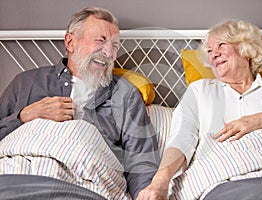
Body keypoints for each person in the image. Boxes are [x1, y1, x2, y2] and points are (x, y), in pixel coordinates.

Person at [0, 7, 159, 200]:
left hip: (84, 185)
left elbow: (141, 161)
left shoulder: (125, 94)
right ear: (70, 42)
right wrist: (24, 116)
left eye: (115, 46)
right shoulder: (25, 82)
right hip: (14, 176)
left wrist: (147, 194)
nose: (109, 53)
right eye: (100, 41)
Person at [137, 19, 262, 200]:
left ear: (246, 49)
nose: (213, 54)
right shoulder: (201, 90)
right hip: (221, 181)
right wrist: (159, 182)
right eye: (209, 51)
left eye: (221, 45)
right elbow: (182, 138)